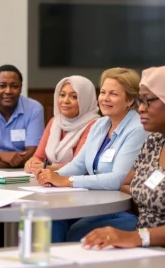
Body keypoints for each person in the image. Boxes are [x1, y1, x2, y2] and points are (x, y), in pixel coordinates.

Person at [36, 68, 148, 242]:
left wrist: (68, 181)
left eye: (113, 94)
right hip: (95, 202)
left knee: (76, 232)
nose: (105, 98)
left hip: (122, 210)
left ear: (130, 100)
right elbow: (78, 164)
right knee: (52, 220)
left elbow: (117, 179)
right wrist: (53, 176)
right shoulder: (100, 124)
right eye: (102, 92)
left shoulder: (137, 129)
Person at [81, 66, 165, 250]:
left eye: (148, 101)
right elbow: (125, 184)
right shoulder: (154, 141)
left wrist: (137, 237)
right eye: (140, 101)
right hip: (144, 246)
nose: (141, 109)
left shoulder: (138, 132)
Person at [24, 76, 100, 174]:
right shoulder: (54, 122)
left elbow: (79, 166)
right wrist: (32, 164)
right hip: (51, 182)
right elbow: (38, 157)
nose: (65, 101)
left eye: (74, 97)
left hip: (77, 184)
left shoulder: (94, 125)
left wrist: (47, 168)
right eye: (62, 95)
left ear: (85, 100)